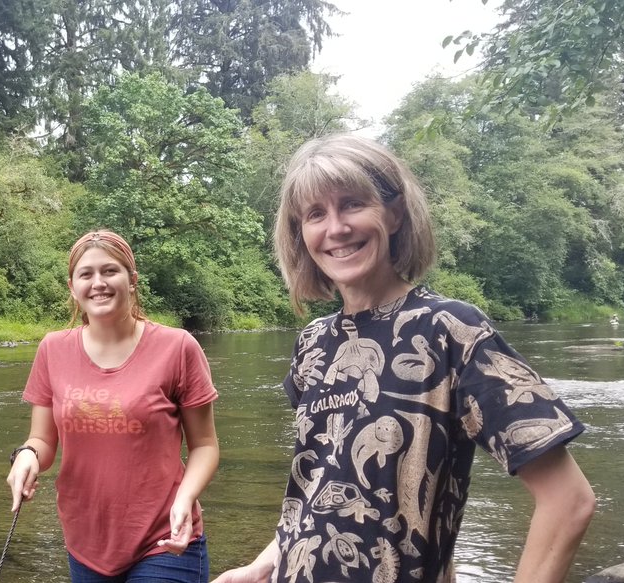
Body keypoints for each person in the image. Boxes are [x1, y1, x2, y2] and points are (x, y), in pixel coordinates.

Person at [212, 134, 595, 583]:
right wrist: (261, 565)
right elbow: (318, 487)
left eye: (352, 204)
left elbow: (569, 500)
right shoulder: (313, 345)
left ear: (393, 215)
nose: (335, 228)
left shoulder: (451, 329)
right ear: (300, 234)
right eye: (316, 214)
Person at [6, 230, 221, 582]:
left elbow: (205, 446)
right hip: (85, 542)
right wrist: (28, 454)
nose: (98, 283)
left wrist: (185, 498)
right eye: (86, 274)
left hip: (165, 537)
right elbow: (43, 441)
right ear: (72, 286)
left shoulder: (178, 347)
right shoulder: (52, 349)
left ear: (132, 280)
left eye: (110, 271)